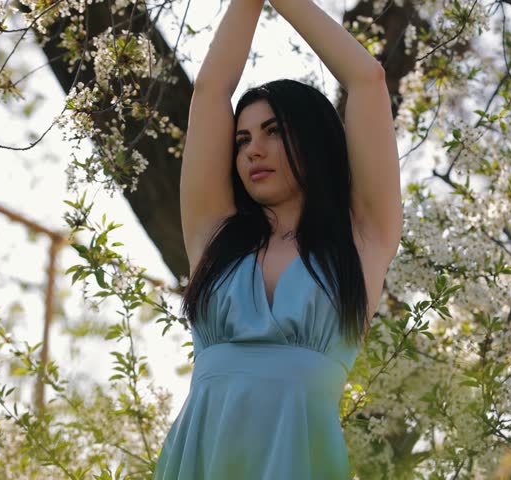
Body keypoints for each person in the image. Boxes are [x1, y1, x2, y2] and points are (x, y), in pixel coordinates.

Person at [153, 0, 402, 478]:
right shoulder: (215, 235)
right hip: (202, 458)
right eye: (242, 139)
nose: (254, 150)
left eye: (273, 132)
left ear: (313, 139)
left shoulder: (363, 239)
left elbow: (367, 79)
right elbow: (209, 91)